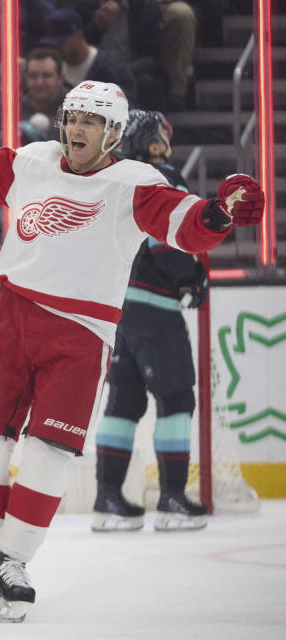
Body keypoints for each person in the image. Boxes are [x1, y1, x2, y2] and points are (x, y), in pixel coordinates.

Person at [0, 80, 265, 622]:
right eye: (72, 117)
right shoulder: (33, 160)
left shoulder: (135, 181)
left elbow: (185, 228)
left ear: (114, 133)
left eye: (91, 121)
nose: (76, 128)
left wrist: (219, 213)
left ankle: (15, 563)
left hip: (80, 332)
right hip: (12, 315)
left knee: (51, 448)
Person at [92, 109, 209, 532]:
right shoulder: (160, 177)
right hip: (155, 307)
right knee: (176, 398)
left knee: (123, 402)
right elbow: (168, 240)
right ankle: (173, 499)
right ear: (155, 141)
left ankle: (107, 500)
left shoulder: (115, 177)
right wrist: (194, 275)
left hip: (118, 307)